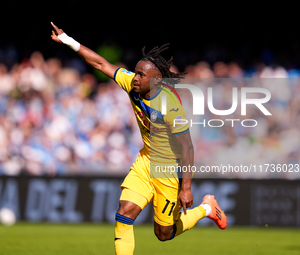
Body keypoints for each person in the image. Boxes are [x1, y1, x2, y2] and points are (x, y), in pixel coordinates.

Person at [50, 22, 227, 255]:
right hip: (146, 161)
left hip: (168, 170)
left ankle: (207, 208)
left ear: (154, 80)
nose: (135, 78)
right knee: (125, 211)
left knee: (164, 234)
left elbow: (188, 148)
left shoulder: (169, 106)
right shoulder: (132, 84)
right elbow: (101, 63)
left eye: (141, 75)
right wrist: (69, 41)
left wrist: (186, 188)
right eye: (136, 72)